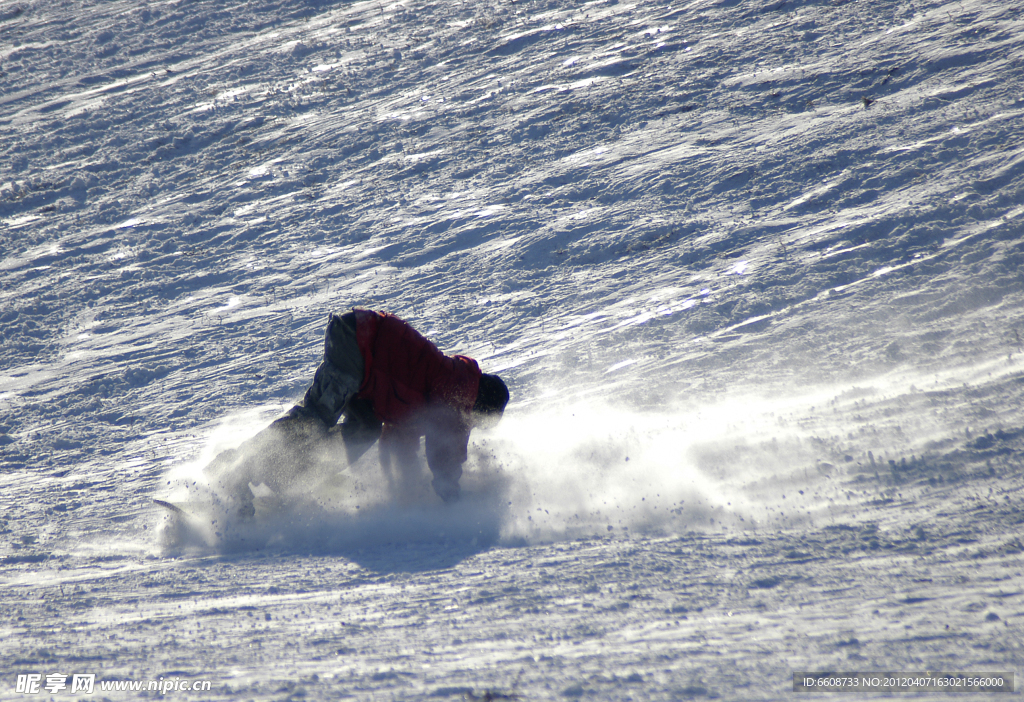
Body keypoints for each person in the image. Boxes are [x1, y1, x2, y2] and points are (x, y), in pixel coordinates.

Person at [208, 309, 509, 515]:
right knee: (315, 418)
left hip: (368, 374)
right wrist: (453, 498)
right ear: (478, 406)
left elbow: (400, 441)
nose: (471, 427)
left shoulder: (435, 398)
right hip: (357, 344)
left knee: (366, 430)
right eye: (477, 422)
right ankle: (237, 468)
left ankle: (289, 479)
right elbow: (446, 445)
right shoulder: (456, 386)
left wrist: (406, 491)